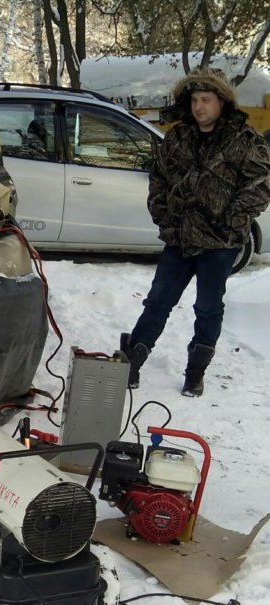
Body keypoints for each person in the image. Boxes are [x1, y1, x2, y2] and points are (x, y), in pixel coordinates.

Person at [121, 68, 270, 396]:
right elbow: (158, 177)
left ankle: (195, 371)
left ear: (221, 102)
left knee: (208, 308)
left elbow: (260, 186)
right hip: (179, 239)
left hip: (219, 243)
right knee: (158, 301)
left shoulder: (244, 141)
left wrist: (230, 222)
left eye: (206, 100)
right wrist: (164, 215)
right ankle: (132, 362)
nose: (199, 107)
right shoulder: (178, 137)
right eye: (194, 100)